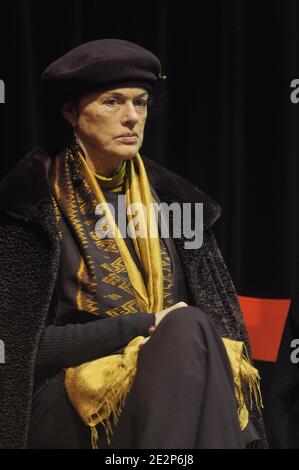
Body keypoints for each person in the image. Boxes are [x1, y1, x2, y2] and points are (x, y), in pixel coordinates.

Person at [0, 39, 266, 449]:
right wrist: (145, 326)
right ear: (71, 113)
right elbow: (19, 348)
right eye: (112, 102)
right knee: (184, 328)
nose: (131, 118)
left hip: (172, 385)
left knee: (192, 330)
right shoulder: (29, 204)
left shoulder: (174, 202)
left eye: (140, 103)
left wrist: (166, 331)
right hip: (68, 404)